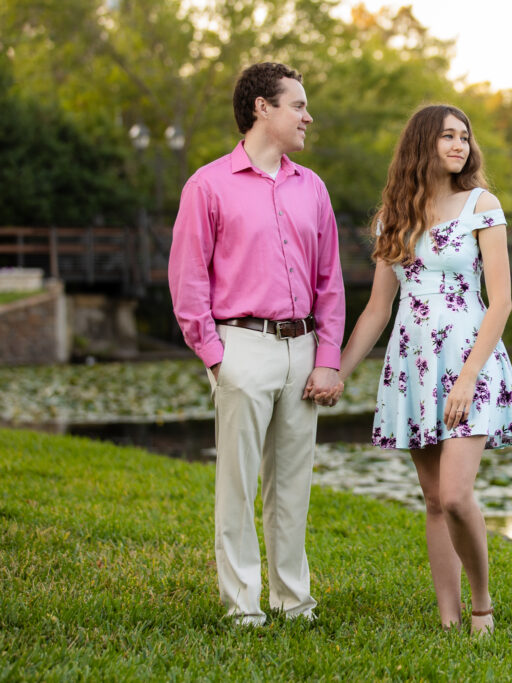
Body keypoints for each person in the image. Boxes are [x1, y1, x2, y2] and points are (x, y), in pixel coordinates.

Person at [336, 104, 512, 634]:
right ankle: (447, 618)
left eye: (464, 136)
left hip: (470, 361)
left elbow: (502, 301)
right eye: (447, 136)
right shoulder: (392, 218)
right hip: (412, 365)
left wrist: (467, 378)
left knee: (455, 494)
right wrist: (339, 372)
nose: (459, 145)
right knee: (432, 501)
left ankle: (482, 605)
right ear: (422, 144)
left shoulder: (481, 206)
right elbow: (377, 309)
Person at [168, 62, 345, 626]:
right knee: (238, 484)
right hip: (240, 345)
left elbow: (330, 284)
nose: (308, 116)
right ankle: (243, 606)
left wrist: (327, 359)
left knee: (292, 486)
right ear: (261, 109)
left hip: (302, 351)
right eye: (298, 104)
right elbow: (188, 282)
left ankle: (294, 601)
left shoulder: (311, 187)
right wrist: (217, 358)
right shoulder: (208, 185)